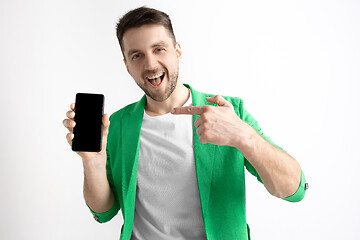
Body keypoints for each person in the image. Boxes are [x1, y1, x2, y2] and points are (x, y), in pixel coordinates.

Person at [63, 6, 308, 240]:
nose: (150, 64)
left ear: (177, 51)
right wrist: (92, 162)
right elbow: (104, 212)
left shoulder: (228, 113)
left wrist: (244, 136)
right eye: (137, 55)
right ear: (127, 66)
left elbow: (293, 190)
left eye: (159, 49)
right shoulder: (116, 125)